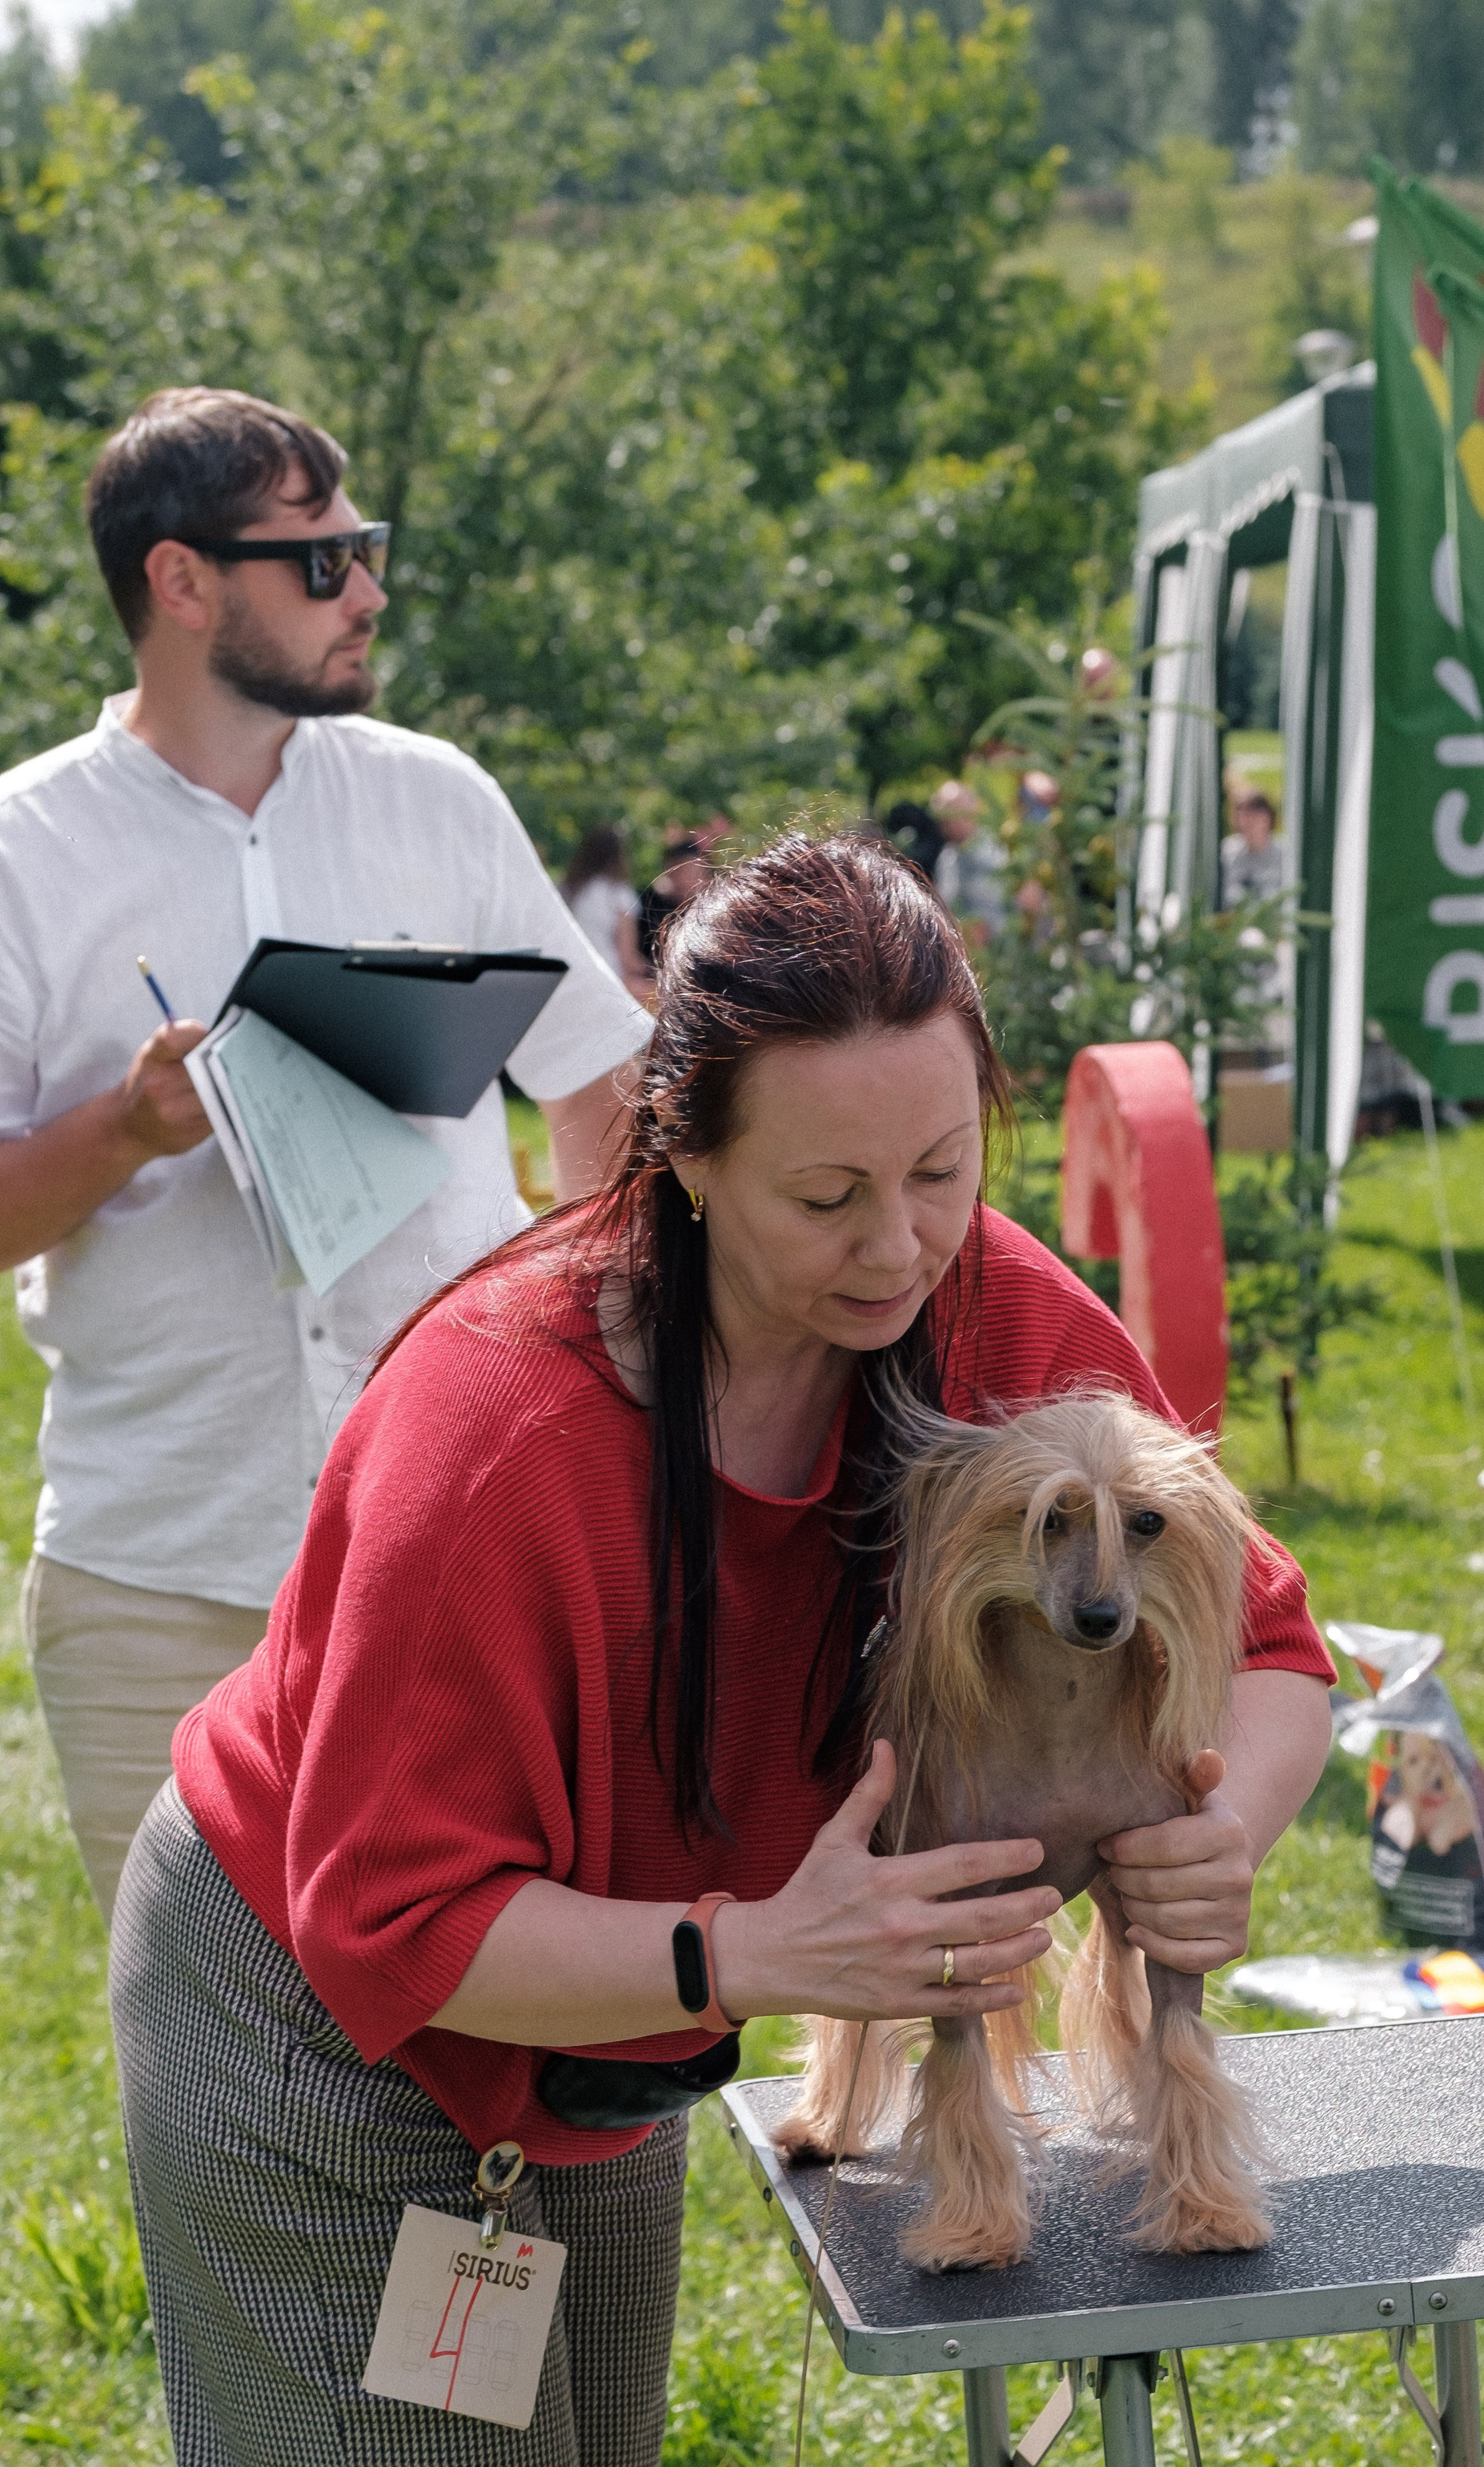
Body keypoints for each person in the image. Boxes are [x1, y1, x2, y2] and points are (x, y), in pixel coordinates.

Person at [108, 833, 1336, 2464]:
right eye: (825, 1196)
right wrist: (745, 1954)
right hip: (323, 2024)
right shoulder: (493, 1439)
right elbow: (388, 1908)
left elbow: (1268, 1636)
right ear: (679, 1154)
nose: (899, 1248)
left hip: (614, 2034)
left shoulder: (987, 1314)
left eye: (941, 1171)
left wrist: (1214, 1833)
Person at [0, 387, 648, 1920]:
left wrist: (588, 1343)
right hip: (160, 1566)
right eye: (324, 557)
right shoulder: (26, 848)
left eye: (366, 549)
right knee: (210, 2068)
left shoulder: (436, 798)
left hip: (454, 1550)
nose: (368, 589)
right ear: (180, 580)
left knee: (468, 2032)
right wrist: (132, 1126)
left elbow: (600, 1080)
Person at [631, 822, 715, 1001]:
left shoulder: (709, 909)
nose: (689, 877)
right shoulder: (647, 902)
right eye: (683, 870)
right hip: (647, 986)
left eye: (695, 870)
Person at [560, 824, 640, 981]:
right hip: (607, 976)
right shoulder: (619, 893)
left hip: (569, 974)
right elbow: (627, 957)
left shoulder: (567, 889)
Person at [930, 776, 1005, 944]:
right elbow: (946, 911)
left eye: (957, 810)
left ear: (974, 808)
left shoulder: (1002, 846)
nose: (951, 820)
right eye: (945, 813)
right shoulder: (947, 859)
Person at [1220, 787, 1286, 909]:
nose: (1248, 822)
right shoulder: (1227, 852)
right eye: (1242, 815)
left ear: (1269, 818)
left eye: (1255, 816)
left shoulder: (1285, 854)